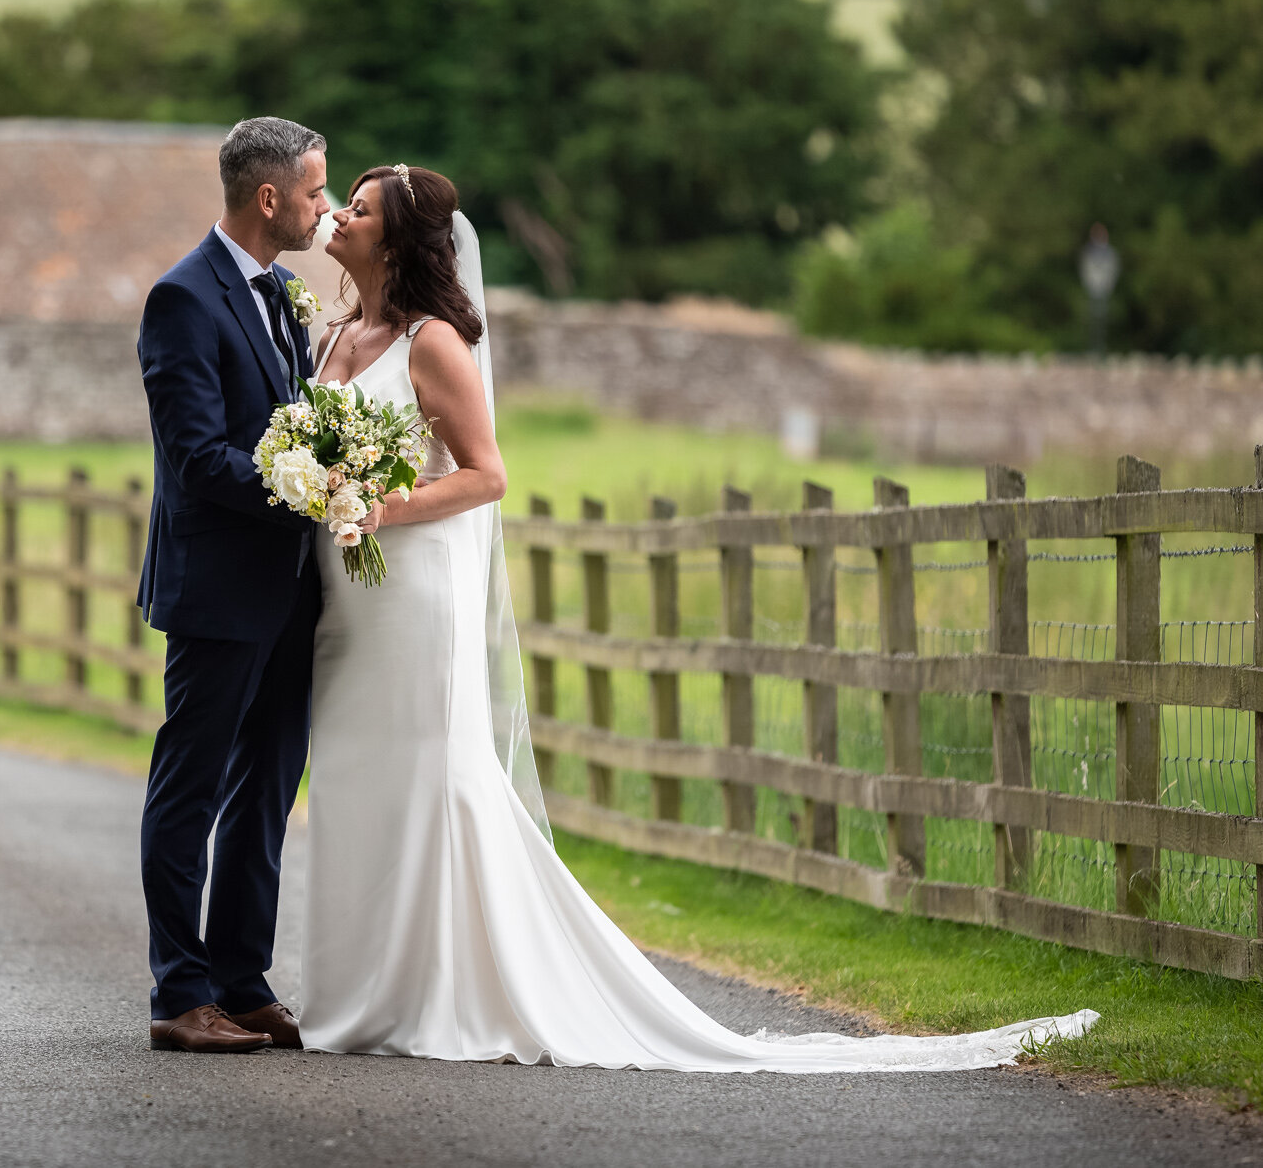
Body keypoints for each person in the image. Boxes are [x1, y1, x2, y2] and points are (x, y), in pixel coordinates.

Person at [298, 163, 1099, 1070]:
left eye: (357, 209)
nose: (338, 216)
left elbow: (487, 474)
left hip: (414, 591)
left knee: (433, 775)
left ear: (396, 240)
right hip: (348, 602)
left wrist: (378, 506)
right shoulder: (332, 336)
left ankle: (441, 994)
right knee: (358, 773)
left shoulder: (432, 342)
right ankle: (363, 995)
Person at [134, 117, 331, 1053]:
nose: (322, 207)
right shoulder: (181, 298)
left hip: (294, 588)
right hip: (218, 587)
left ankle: (242, 978)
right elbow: (199, 458)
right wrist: (309, 492)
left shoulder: (288, 294)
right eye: (314, 191)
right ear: (269, 197)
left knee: (266, 790)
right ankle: (180, 994)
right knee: (192, 786)